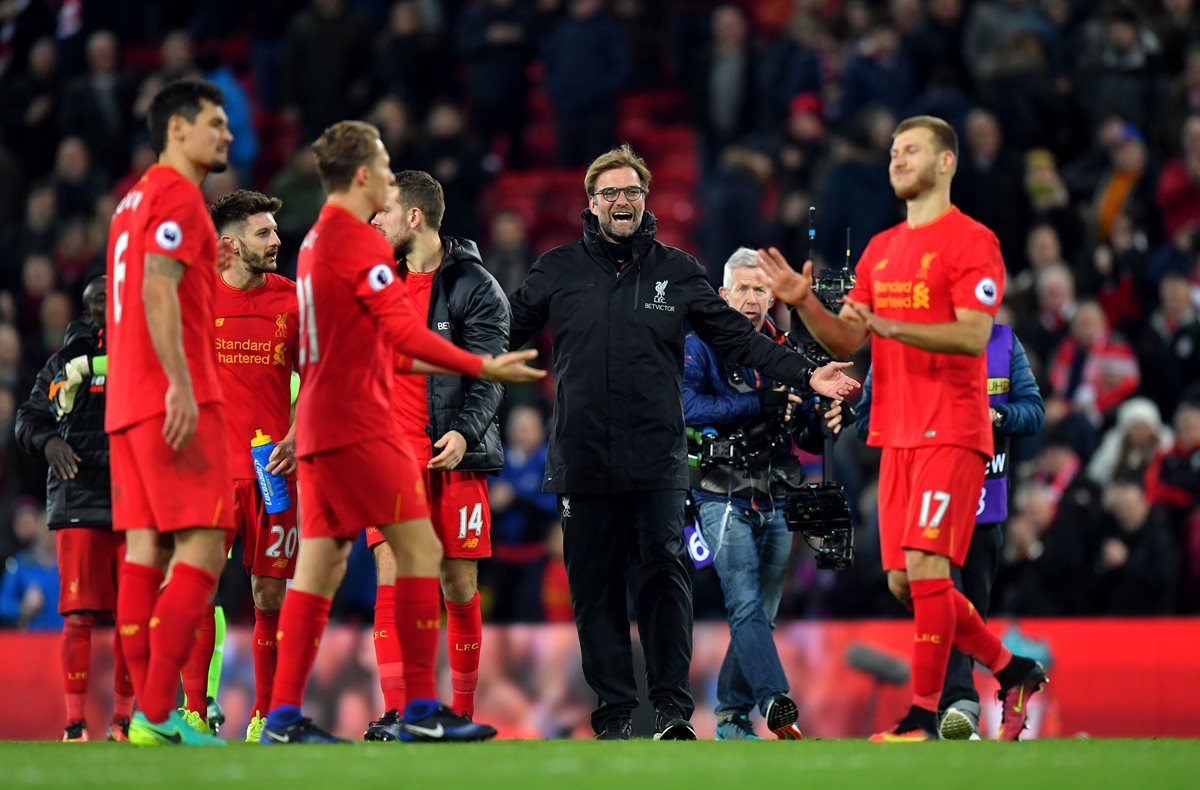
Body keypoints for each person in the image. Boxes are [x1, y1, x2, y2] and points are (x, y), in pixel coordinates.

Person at [507, 143, 859, 740]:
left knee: (664, 588)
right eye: (610, 193)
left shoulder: (680, 271)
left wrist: (805, 374)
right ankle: (616, 716)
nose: (622, 201)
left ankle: (671, 712)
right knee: (595, 597)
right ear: (590, 203)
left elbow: (740, 341)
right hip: (582, 460)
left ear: (646, 200)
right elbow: (500, 333)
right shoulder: (554, 270)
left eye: (632, 191)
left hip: (658, 462)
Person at [757, 114, 1049, 742]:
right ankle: (1014, 667)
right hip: (895, 433)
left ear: (946, 162)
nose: (897, 159)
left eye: (911, 150)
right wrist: (804, 302)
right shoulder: (882, 249)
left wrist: (892, 326)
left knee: (924, 565)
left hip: (954, 427)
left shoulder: (974, 241)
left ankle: (922, 714)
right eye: (893, 150)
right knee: (901, 580)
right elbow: (849, 335)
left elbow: (974, 333)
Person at [258, 120, 543, 744]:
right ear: (362, 175)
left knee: (322, 567)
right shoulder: (359, 246)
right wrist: (479, 364)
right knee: (412, 554)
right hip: (363, 431)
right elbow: (403, 336)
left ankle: (282, 715)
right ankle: (417, 711)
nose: (388, 179)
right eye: (383, 168)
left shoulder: (314, 244)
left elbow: (350, 348)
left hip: (327, 430)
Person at [104, 79, 236, 747]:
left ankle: (139, 716)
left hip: (125, 402)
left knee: (143, 549)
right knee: (206, 543)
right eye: (215, 123)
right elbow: (160, 285)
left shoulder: (127, 202)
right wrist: (181, 386)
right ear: (176, 129)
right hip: (169, 397)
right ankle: (158, 712)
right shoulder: (178, 194)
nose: (228, 134)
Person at [362, 170, 509, 739]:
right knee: (392, 576)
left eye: (383, 212)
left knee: (457, 586)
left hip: (452, 457)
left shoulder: (475, 285)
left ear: (414, 217)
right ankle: (400, 711)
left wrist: (466, 435)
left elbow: (491, 374)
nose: (375, 222)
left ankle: (463, 711)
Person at [682, 248, 846, 741]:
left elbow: (807, 434)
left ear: (772, 297)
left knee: (761, 613)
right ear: (722, 294)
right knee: (746, 602)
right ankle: (775, 699)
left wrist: (828, 420)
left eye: (760, 290)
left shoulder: (787, 352)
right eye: (743, 289)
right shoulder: (698, 344)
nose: (751, 299)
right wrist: (761, 400)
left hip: (778, 491)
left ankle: (731, 720)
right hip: (718, 492)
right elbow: (687, 405)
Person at [856, 323, 1045, 739]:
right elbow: (864, 418)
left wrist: (996, 415)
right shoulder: (896, 336)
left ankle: (958, 702)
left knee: (955, 600)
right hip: (923, 487)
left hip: (982, 499)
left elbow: (1033, 411)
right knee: (926, 589)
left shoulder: (1003, 342)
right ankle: (962, 703)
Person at [13, 276, 135, 742]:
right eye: (99, 298)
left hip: (133, 501)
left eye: (115, 293)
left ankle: (123, 721)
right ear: (87, 313)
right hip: (79, 498)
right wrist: (48, 444)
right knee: (79, 615)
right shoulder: (63, 363)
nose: (110, 300)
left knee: (133, 615)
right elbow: (28, 419)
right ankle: (73, 724)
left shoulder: (146, 352)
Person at [207, 189, 300, 742]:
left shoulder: (292, 301)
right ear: (230, 244)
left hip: (273, 472)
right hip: (211, 474)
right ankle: (195, 710)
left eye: (273, 231)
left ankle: (264, 717)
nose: (275, 240)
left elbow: (316, 379)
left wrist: (298, 430)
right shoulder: (196, 297)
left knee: (269, 595)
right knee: (199, 590)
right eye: (262, 233)